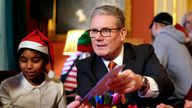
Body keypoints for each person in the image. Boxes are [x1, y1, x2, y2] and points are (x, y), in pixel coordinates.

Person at [66, 5, 174, 108]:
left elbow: (167, 87)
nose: (98, 37)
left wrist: (141, 83)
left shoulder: (143, 53)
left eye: (105, 31)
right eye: (94, 31)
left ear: (122, 34)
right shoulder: (84, 66)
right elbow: (90, 103)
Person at [0, 30, 67, 108]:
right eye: (23, 60)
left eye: (35, 60)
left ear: (45, 62)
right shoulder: (7, 86)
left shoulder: (57, 86)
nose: (29, 66)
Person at [149, 12, 192, 106]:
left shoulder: (161, 39)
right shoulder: (178, 38)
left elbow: (154, 70)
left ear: (155, 25)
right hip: (188, 94)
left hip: (180, 99)